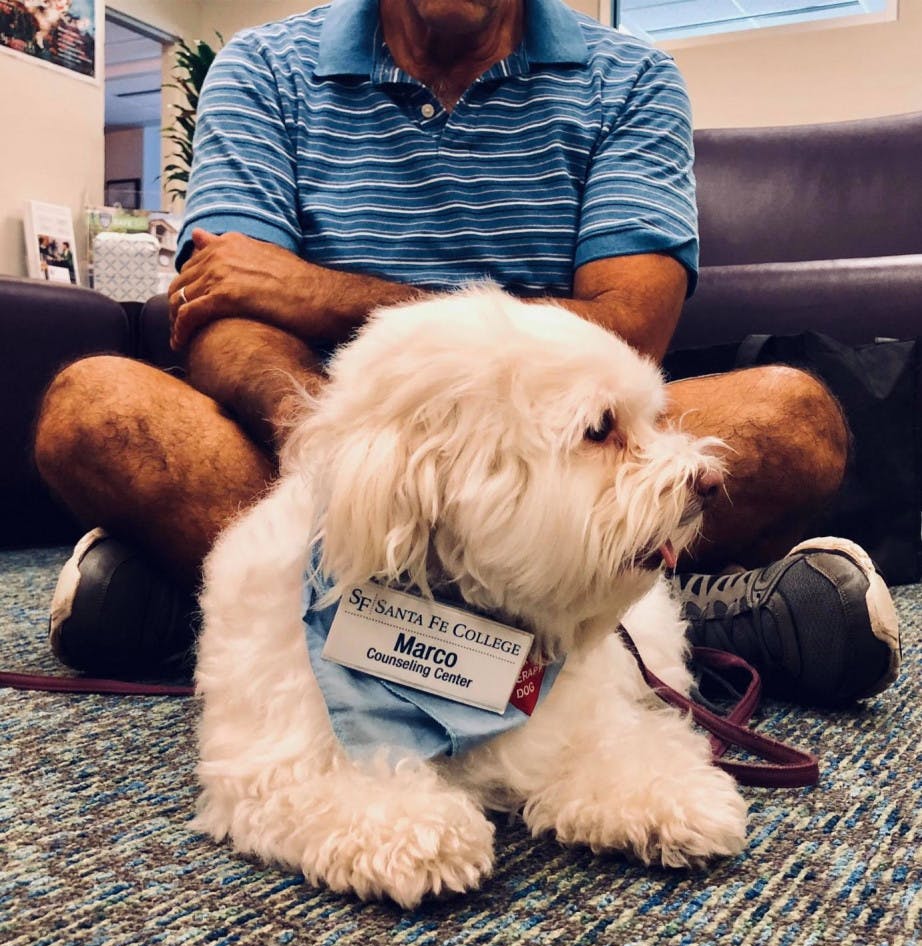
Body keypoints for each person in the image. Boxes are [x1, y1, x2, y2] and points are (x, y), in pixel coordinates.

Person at [34, 0, 899, 707]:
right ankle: (682, 626)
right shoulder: (263, 68)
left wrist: (315, 289)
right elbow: (226, 317)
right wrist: (335, 453)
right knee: (95, 409)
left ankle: (196, 612)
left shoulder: (632, 79)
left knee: (791, 419)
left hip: (561, 461)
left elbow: (627, 330)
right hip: (321, 445)